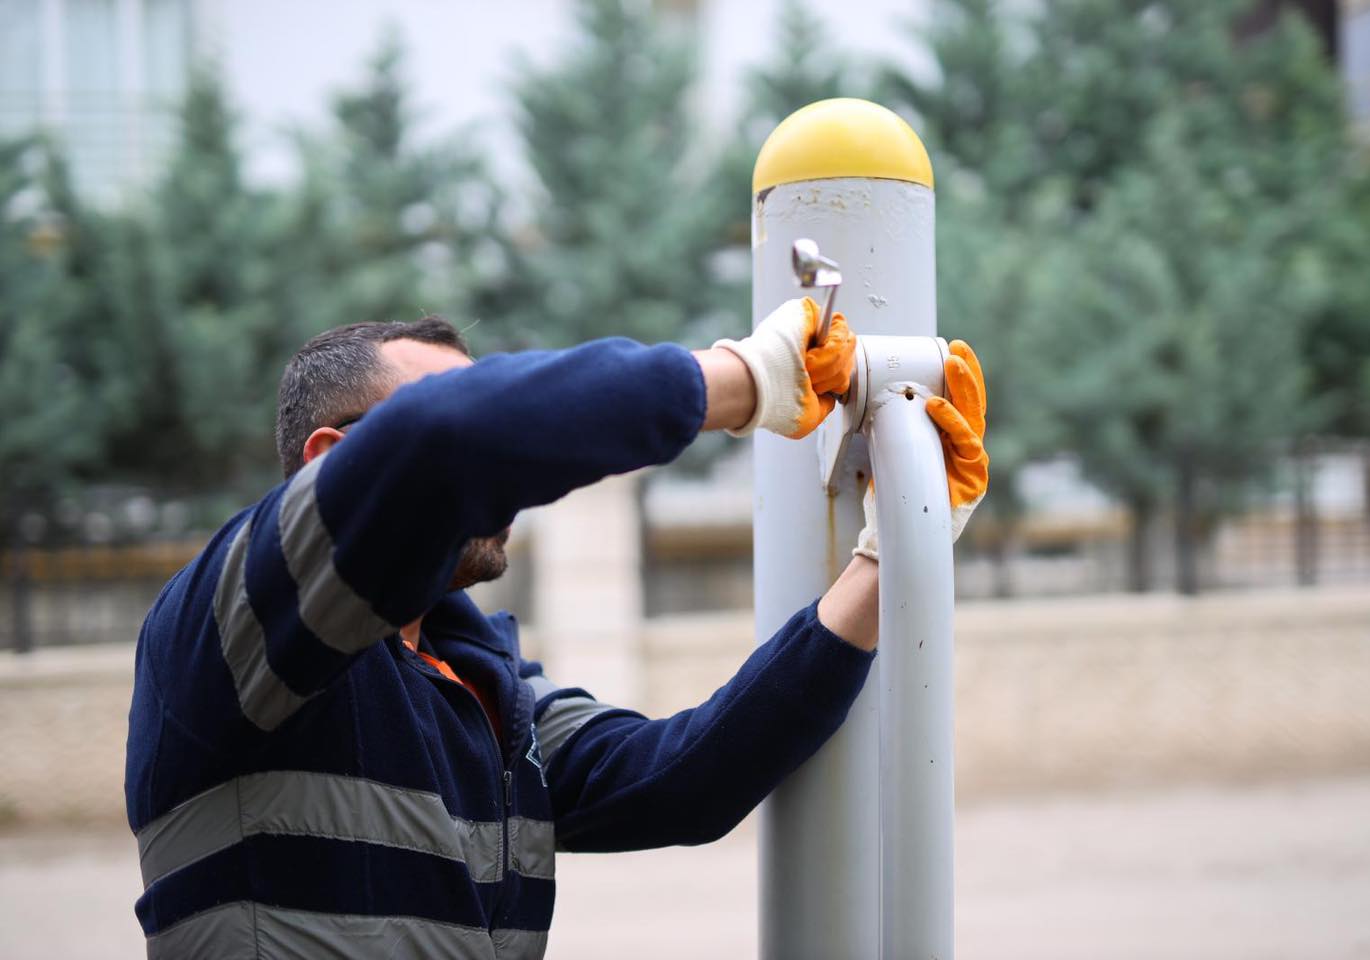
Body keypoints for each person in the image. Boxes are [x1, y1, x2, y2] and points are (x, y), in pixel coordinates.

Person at [124, 299, 988, 959]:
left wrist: (890, 554)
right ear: (329, 461)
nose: (496, 472)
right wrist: (744, 379)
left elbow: (686, 778)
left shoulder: (487, 693)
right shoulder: (229, 625)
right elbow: (453, 435)